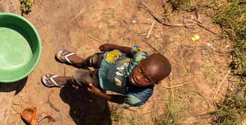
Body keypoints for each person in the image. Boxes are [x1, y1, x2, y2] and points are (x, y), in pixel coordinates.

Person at [40, 44, 171, 108]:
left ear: (155, 83)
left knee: (81, 79)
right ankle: (80, 61)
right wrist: (111, 46)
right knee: (91, 59)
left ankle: (66, 80)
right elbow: (131, 50)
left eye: (146, 79)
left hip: (102, 81)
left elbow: (121, 100)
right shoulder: (141, 56)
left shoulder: (139, 96)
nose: (138, 77)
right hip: (107, 59)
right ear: (141, 62)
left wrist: (100, 93)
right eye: (140, 70)